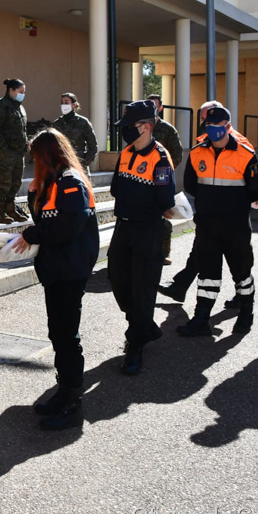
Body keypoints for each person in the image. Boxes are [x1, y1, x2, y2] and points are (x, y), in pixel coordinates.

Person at [13, 129, 99, 430]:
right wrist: (35, 191)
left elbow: (66, 228)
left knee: (67, 337)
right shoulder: (51, 183)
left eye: (36, 158)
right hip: (56, 269)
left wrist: (32, 234)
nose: (33, 163)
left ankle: (73, 403)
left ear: (48, 156)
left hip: (70, 271)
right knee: (58, 334)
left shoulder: (71, 182)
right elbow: (43, 216)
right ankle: (63, 393)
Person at [176, 106, 258, 337]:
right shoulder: (196, 152)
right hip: (207, 226)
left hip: (235, 227)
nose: (213, 130)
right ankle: (201, 318)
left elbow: (256, 190)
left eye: (218, 126)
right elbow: (191, 184)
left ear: (227, 126)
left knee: (242, 273)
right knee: (207, 275)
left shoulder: (245, 154)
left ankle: (246, 314)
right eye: (209, 126)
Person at [158, 100, 255, 304]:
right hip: (210, 213)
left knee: (236, 260)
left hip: (231, 217)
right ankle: (181, 286)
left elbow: (252, 184)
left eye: (208, 119)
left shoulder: (240, 144)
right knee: (202, 251)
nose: (206, 124)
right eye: (203, 120)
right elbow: (193, 181)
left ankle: (241, 299)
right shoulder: (203, 143)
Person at [108, 100, 176, 375]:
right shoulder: (126, 152)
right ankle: (144, 325)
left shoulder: (160, 158)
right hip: (123, 226)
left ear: (146, 127)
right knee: (117, 278)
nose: (125, 131)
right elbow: (115, 188)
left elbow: (165, 200)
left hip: (148, 230)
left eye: (129, 126)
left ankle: (135, 346)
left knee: (143, 288)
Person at [149, 94, 184, 266]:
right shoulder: (140, 127)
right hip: (143, 180)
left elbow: (177, 154)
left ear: (161, 108)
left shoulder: (168, 130)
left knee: (164, 217)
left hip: (162, 181)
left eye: (155, 106)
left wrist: (165, 173)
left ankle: (164, 253)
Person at [0, 78, 28, 224]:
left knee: (16, 181)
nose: (23, 94)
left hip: (19, 151)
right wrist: (3, 148)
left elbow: (22, 129)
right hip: (6, 152)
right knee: (4, 181)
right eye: (20, 92)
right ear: (11, 90)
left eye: (24, 92)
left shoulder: (19, 107)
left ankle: (11, 209)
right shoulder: (1, 106)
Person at [51, 92, 98, 168]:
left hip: (79, 164)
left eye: (66, 102)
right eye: (62, 102)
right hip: (61, 164)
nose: (63, 105)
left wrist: (85, 161)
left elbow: (93, 145)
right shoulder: (57, 123)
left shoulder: (82, 122)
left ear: (74, 105)